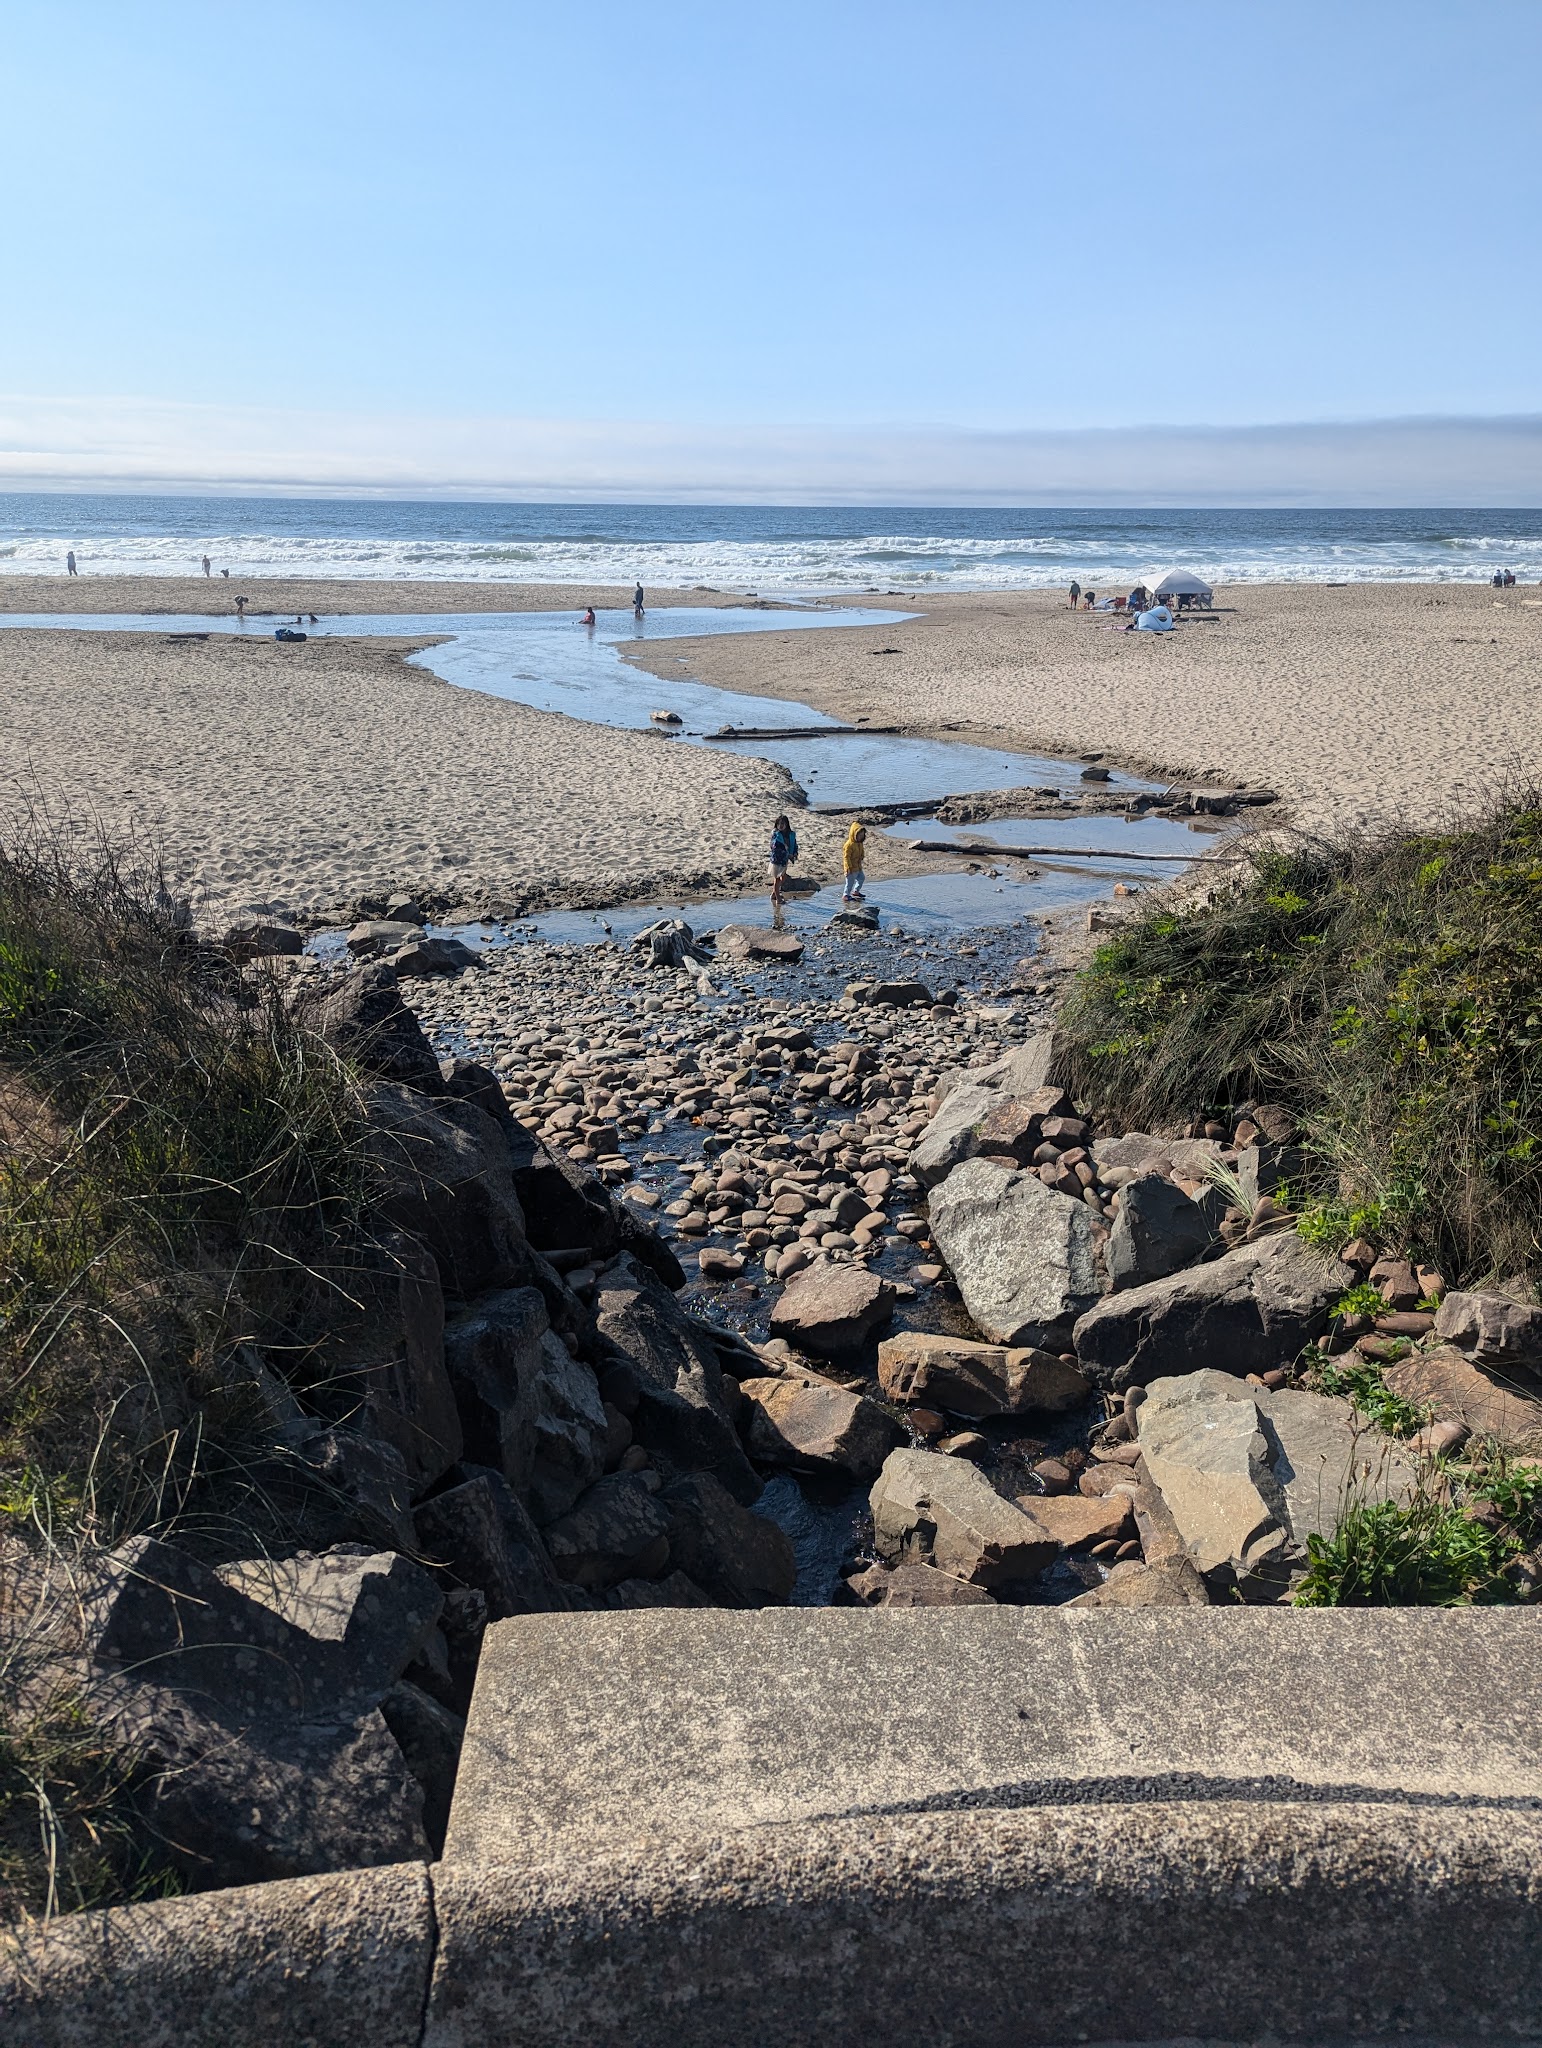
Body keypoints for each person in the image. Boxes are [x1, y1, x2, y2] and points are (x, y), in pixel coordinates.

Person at [769, 813, 798, 910]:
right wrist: (787, 854)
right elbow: (775, 848)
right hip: (777, 859)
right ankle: (778, 899)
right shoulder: (776, 835)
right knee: (777, 879)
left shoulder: (791, 834)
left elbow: (795, 845)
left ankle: (774, 893)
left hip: (785, 860)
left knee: (784, 877)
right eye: (779, 824)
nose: (780, 826)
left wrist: (794, 853)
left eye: (783, 824)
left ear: (786, 825)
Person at [841, 821, 867, 902]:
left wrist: (862, 856)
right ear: (854, 834)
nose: (861, 837)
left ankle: (856, 891)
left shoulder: (859, 843)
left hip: (858, 866)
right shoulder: (849, 845)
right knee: (849, 883)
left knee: (861, 878)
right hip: (851, 868)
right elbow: (846, 857)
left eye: (862, 835)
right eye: (859, 835)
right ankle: (846, 895)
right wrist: (848, 867)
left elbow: (861, 850)